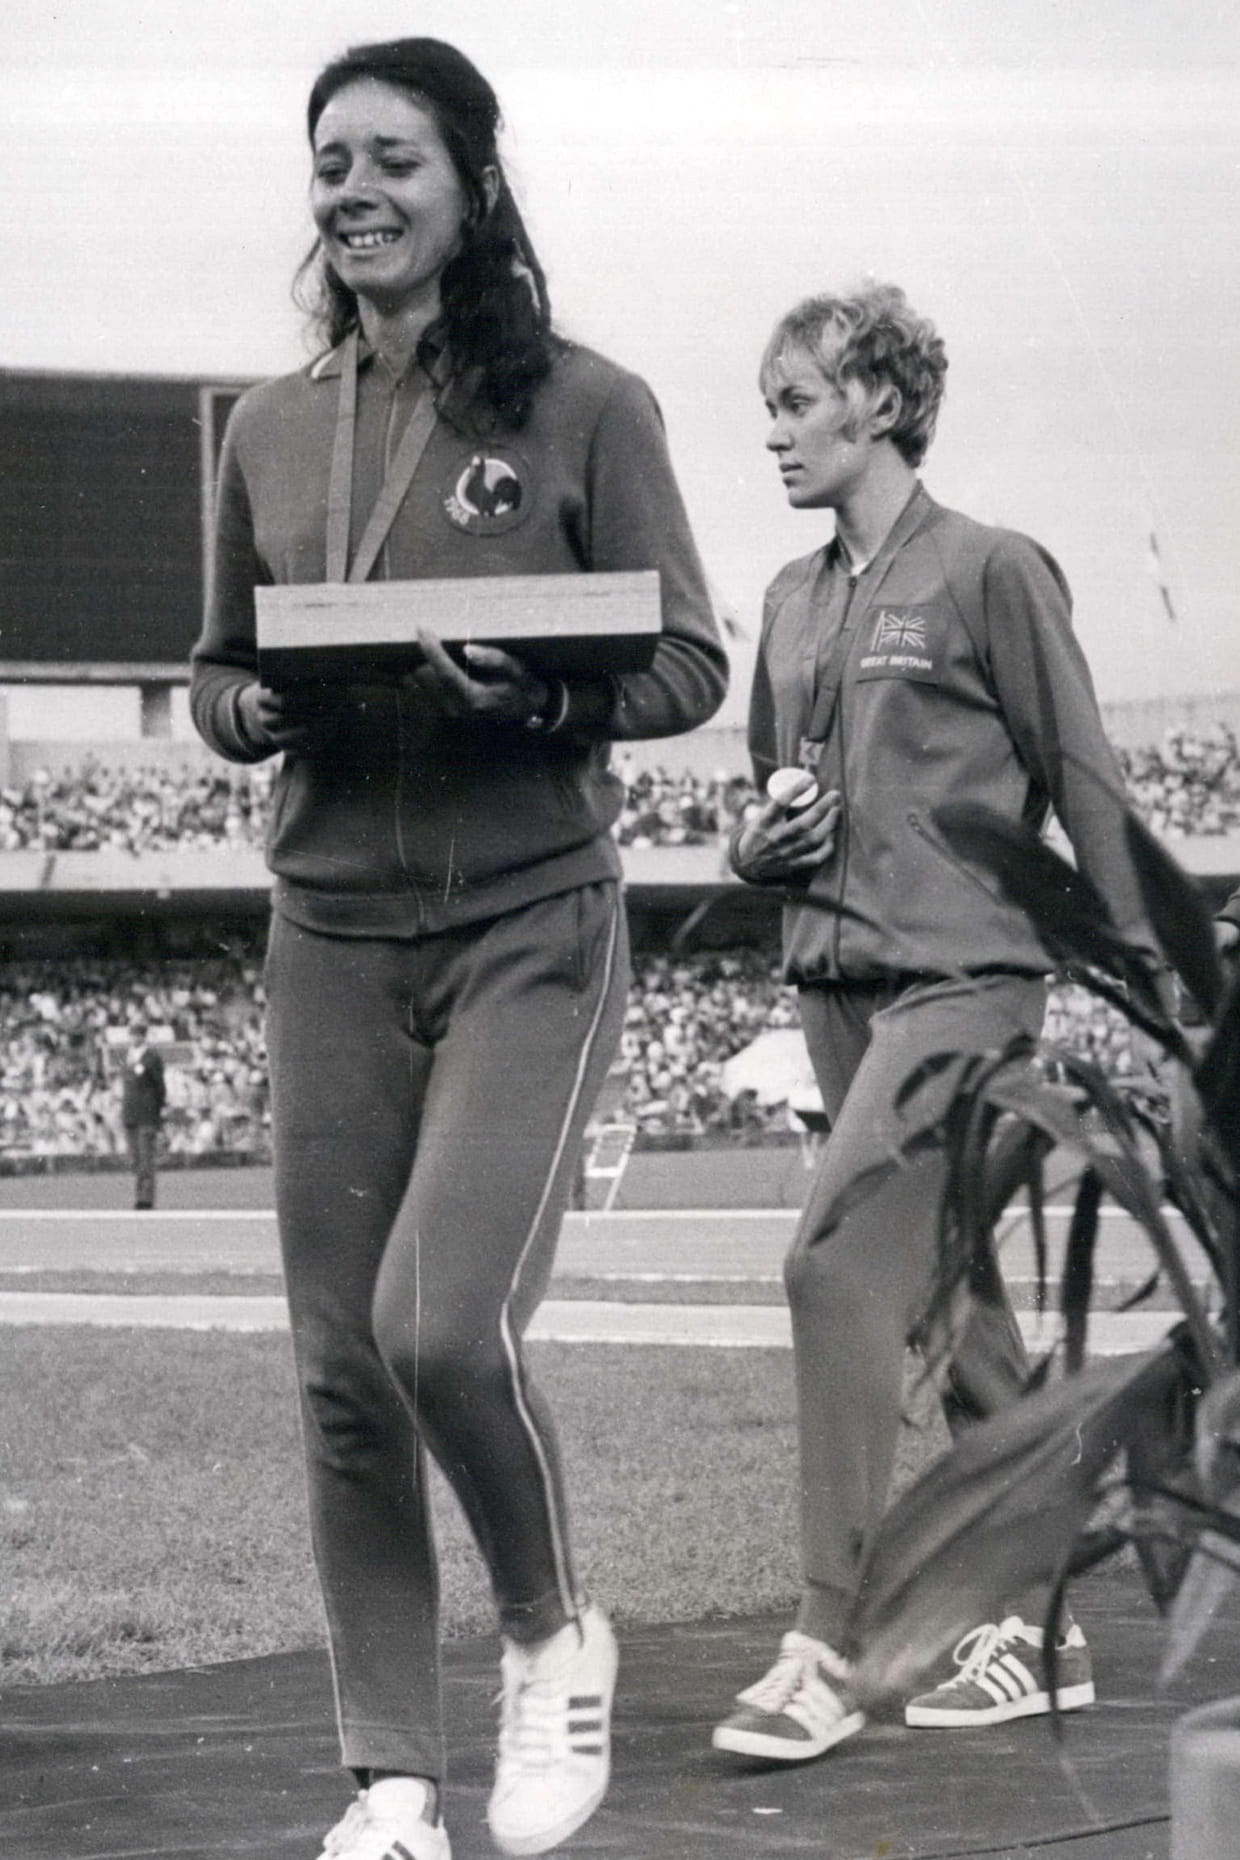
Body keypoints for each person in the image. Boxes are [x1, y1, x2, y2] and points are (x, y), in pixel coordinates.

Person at [190, 38, 726, 1860]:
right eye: (330, 161)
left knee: (435, 1325)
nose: (353, 191)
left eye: (393, 159)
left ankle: (551, 1629)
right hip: (329, 929)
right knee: (342, 1375)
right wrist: (250, 711)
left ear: (474, 184)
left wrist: (546, 694)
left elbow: (685, 663)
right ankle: (398, 1785)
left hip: (527, 919)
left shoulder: (589, 404)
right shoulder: (265, 428)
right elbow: (215, 668)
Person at [713, 281, 1152, 1761]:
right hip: (834, 989)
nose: (772, 433)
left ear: (882, 404)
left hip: (964, 986)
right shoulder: (787, 598)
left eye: (795, 402)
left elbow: (1084, 786)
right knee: (952, 1318)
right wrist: (750, 848)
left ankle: (828, 1646)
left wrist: (1161, 991)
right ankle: (1043, 1625)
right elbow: (766, 795)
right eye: (767, 407)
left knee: (832, 1267)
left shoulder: (990, 570)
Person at [120, 1022, 165, 1209]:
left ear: (143, 1036)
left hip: (146, 1114)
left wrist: (157, 1110)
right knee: (135, 1159)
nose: (133, 1038)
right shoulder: (127, 1056)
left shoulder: (151, 1057)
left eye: (137, 1034)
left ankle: (145, 1199)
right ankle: (140, 1195)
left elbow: (159, 1087)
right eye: (131, 1034)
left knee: (146, 1159)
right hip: (130, 1113)